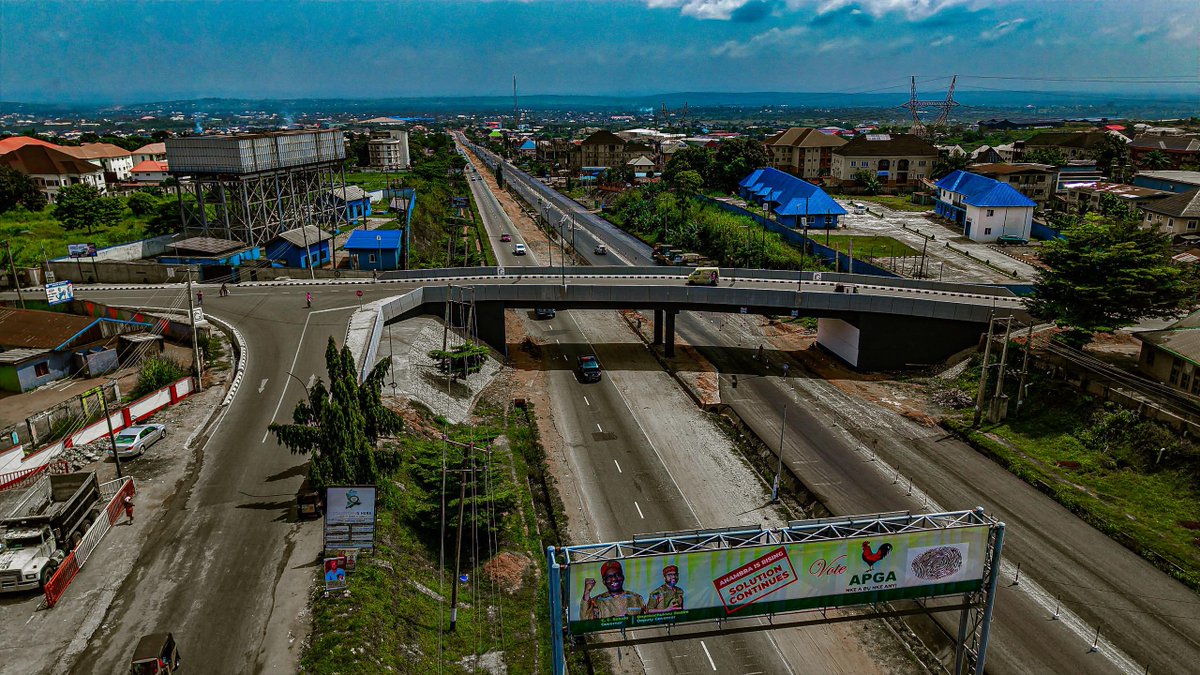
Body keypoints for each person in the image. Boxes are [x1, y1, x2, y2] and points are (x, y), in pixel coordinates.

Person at [580, 560, 645, 620]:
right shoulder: (597, 602)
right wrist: (587, 592)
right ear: (604, 581)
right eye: (609, 577)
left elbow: (646, 620)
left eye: (617, 575)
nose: (614, 579)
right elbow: (585, 620)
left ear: (622, 577)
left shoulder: (636, 598)